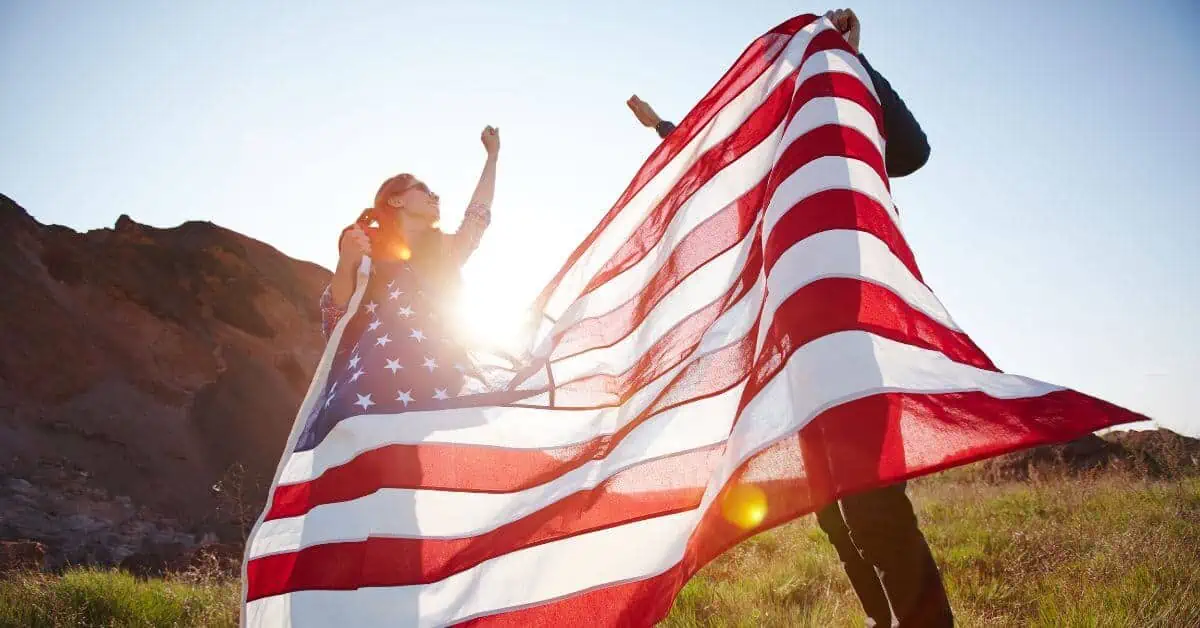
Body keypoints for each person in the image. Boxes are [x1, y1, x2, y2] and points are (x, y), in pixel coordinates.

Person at [627, 9, 952, 627]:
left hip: (854, 331)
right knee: (836, 514)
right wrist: (662, 127)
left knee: (875, 507)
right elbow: (712, 159)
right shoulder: (770, 157)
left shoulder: (838, 145)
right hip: (794, 348)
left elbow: (912, 149)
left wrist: (854, 56)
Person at [318, 126, 500, 404]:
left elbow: (478, 216)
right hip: (371, 392)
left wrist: (492, 157)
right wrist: (347, 260)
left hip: (440, 386)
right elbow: (335, 316)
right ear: (396, 199)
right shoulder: (364, 242)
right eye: (423, 189)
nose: (434, 196)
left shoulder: (444, 251)